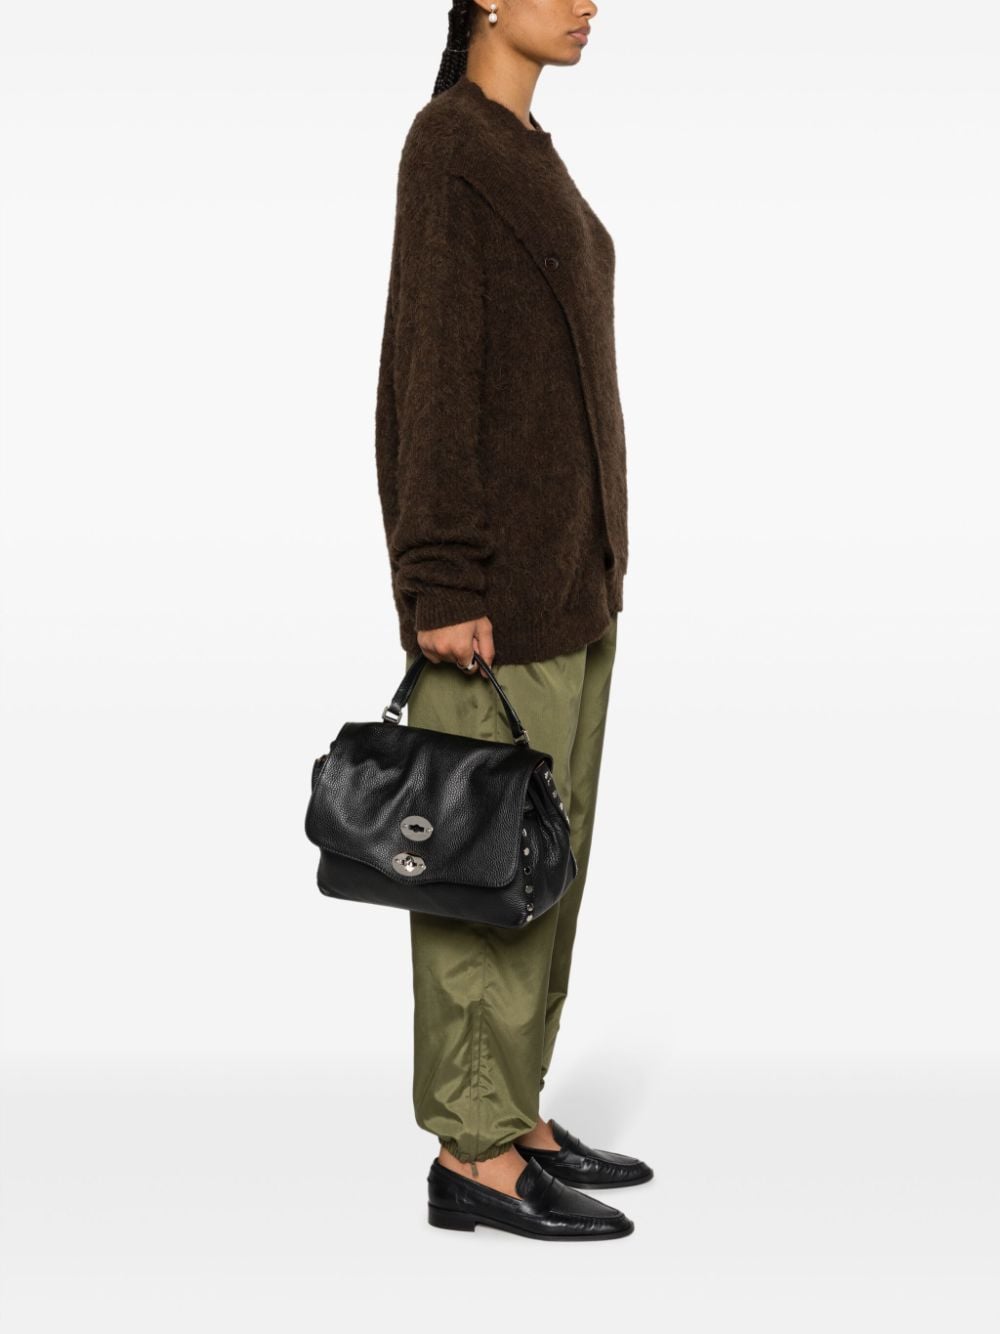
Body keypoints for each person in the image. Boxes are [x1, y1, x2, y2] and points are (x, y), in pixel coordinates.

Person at [373, 0, 651, 1240]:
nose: (589, 2)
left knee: (545, 866)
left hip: (567, 584)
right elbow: (427, 366)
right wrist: (439, 580)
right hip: (489, 605)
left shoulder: (524, 148)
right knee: (481, 880)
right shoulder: (451, 143)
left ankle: (515, 1109)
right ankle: (470, 1154)